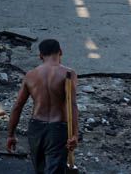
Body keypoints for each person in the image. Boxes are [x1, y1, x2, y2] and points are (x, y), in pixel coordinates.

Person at [7, 39, 79, 174]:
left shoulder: (30, 75)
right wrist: (75, 134)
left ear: (40, 56)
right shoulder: (68, 74)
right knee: (54, 170)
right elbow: (72, 105)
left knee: (40, 169)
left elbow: (17, 106)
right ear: (61, 52)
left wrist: (11, 134)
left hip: (36, 128)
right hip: (58, 129)